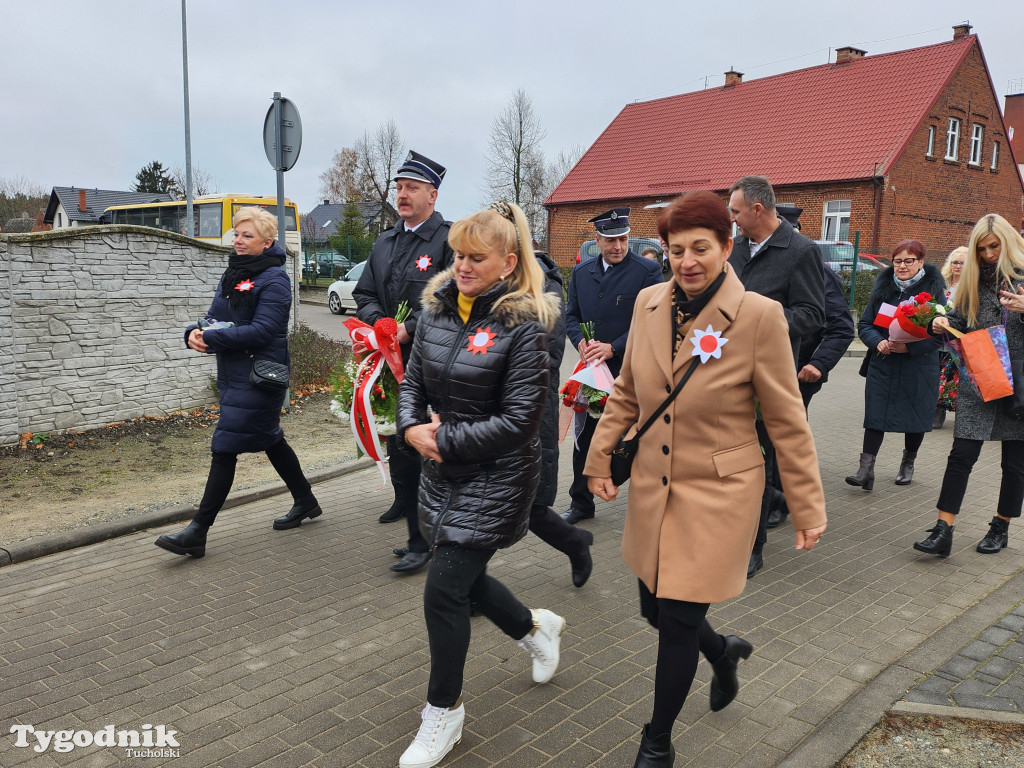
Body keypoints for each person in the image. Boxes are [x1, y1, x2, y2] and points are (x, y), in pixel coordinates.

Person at [585, 192, 827, 767]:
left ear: (726, 247)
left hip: (719, 492)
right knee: (654, 610)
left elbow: (787, 420)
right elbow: (626, 393)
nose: (687, 261)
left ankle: (657, 741)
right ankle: (723, 652)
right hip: (652, 486)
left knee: (676, 623)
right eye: (676, 250)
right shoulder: (648, 304)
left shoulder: (760, 317)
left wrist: (808, 505)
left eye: (701, 248)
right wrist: (598, 460)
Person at [395, 201, 564, 768]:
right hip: (441, 473)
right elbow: (412, 380)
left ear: (508, 262)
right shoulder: (438, 311)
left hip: (498, 476)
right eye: (458, 256)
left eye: (476, 258)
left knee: (443, 589)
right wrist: (412, 428)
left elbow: (520, 421)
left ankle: (444, 714)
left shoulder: (524, 326)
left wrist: (442, 440)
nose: (462, 267)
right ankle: (534, 628)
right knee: (462, 577)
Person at [155, 207, 321, 558]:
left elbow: (264, 331)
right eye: (236, 234)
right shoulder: (233, 273)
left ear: (267, 241)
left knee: (225, 446)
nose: (239, 241)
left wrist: (213, 338)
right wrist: (194, 332)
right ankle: (305, 499)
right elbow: (216, 317)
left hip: (260, 376)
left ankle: (198, 531)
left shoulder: (275, 279)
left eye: (247, 235)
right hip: (234, 375)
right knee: (270, 439)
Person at [354, 150, 454, 574]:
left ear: (432, 194)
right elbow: (364, 294)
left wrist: (408, 329)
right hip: (387, 359)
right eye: (399, 188)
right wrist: (380, 326)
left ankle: (429, 538)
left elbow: (453, 300)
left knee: (427, 450)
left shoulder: (449, 241)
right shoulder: (385, 240)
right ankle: (417, 530)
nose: (402, 195)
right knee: (400, 442)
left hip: (431, 363)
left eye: (411, 188)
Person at [727, 175, 825, 577]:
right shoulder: (735, 250)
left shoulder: (800, 251)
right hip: (727, 373)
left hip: (769, 377)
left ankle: (754, 546)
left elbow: (813, 315)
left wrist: (761, 320)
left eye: (735, 211)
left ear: (757, 209)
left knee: (760, 462)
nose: (730, 218)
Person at [915, 214, 1024, 557]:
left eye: (995, 246)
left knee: (1015, 463)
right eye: (983, 248)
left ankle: (1001, 526)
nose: (990, 254)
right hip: (980, 378)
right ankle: (943, 529)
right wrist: (942, 321)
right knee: (961, 455)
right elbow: (961, 319)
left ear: (1008, 242)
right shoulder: (973, 281)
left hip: (1019, 383)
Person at [562, 207, 662, 525]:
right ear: (598, 240)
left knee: (639, 437)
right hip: (592, 372)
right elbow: (571, 315)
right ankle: (581, 502)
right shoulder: (581, 272)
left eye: (623, 239)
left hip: (632, 370)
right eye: (610, 240)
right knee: (586, 436)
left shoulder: (647, 271)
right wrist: (580, 342)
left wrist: (613, 346)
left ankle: (649, 505)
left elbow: (653, 319)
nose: (618, 246)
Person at [845, 240, 945, 491]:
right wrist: (877, 342)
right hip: (884, 362)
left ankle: (908, 462)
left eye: (908, 261)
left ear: (921, 262)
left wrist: (910, 347)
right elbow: (865, 325)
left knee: (915, 415)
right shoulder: (883, 287)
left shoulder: (934, 291)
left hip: (918, 365)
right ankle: (865, 468)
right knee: (876, 413)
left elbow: (944, 333)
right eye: (897, 261)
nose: (901, 266)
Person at [766, 262, 855, 529]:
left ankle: (778, 497)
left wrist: (818, 363)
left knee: (782, 436)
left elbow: (840, 327)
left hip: (796, 371)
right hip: (751, 367)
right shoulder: (740, 256)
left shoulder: (813, 267)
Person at [528, 249, 595, 587]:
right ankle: (467, 583)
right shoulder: (480, 275)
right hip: (486, 412)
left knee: (531, 506)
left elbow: (547, 352)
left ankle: (575, 543)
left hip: (526, 408)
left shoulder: (542, 281)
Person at [934, 246, 968, 429]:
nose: (958, 266)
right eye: (955, 262)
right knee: (937, 375)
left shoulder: (970, 287)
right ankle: (935, 409)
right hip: (938, 338)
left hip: (957, 340)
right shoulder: (942, 284)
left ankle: (943, 409)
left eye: (962, 263)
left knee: (951, 378)